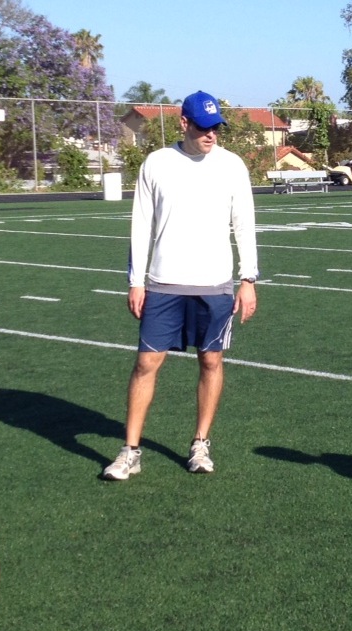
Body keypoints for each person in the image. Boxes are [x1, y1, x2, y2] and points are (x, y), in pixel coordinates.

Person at [102, 90, 258, 481]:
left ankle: (201, 443)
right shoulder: (157, 164)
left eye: (216, 128)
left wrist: (248, 278)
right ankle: (130, 451)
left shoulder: (232, 166)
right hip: (164, 282)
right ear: (184, 123)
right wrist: (136, 281)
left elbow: (245, 223)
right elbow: (141, 225)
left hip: (216, 284)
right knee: (145, 364)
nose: (211, 136)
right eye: (204, 128)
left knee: (211, 361)